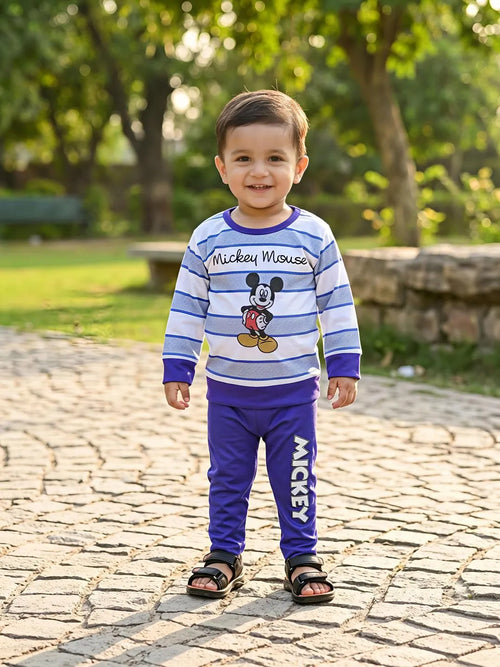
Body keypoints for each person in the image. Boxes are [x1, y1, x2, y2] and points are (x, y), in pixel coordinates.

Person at [162, 89, 361, 604]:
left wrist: (343, 363)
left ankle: (302, 556)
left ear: (299, 166)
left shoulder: (314, 236)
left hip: (292, 394)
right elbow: (187, 307)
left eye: (275, 158)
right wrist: (178, 366)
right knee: (227, 478)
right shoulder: (208, 239)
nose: (259, 171)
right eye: (243, 158)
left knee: (295, 478)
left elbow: (337, 303)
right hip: (228, 393)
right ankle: (224, 555)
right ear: (222, 167)